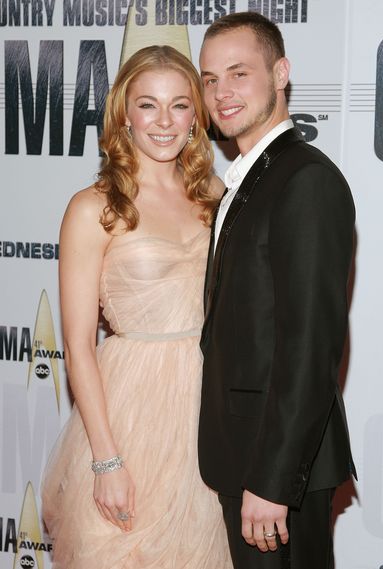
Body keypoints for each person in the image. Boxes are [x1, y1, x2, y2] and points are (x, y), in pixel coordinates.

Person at [41, 45, 232, 569]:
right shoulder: (93, 207)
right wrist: (106, 460)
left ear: (197, 113)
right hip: (128, 416)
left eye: (179, 104)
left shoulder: (214, 194)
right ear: (124, 113)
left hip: (206, 415)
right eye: (148, 105)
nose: (165, 122)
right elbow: (79, 345)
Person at [198, 12, 357, 569]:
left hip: (276, 474)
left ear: (281, 71)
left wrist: (272, 483)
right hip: (242, 457)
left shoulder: (304, 180)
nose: (222, 93)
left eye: (239, 73)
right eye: (210, 79)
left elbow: (309, 350)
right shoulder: (248, 178)